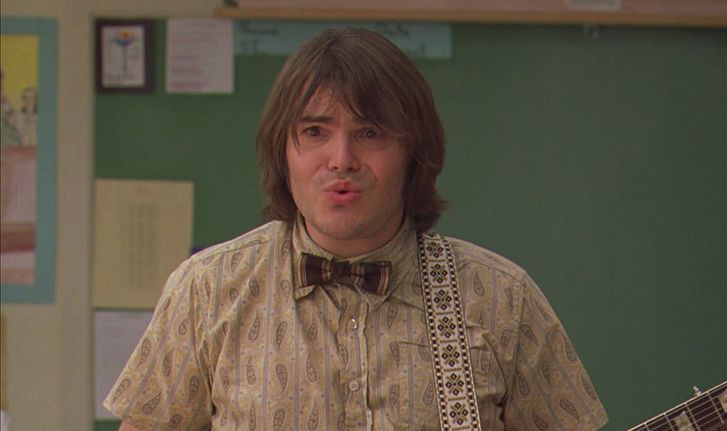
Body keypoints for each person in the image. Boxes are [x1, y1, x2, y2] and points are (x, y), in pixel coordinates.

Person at [105, 27, 608, 431]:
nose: (341, 159)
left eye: (370, 132)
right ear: (283, 151)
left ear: (414, 153)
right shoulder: (207, 290)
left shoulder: (500, 298)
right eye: (315, 132)